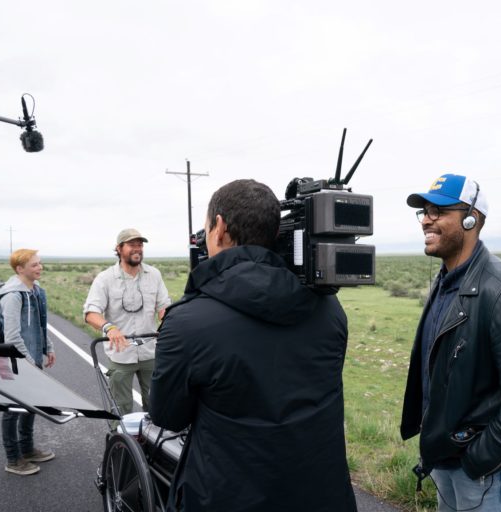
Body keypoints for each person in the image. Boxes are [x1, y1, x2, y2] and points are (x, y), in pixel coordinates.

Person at [150, 179, 357, 511]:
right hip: (322, 494)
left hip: (225, 496)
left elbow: (167, 416)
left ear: (219, 228)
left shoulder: (187, 322)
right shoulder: (329, 309)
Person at [400, 174, 501, 511]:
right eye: (424, 211)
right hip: (451, 463)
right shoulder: (447, 283)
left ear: (471, 218)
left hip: (491, 475)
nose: (426, 218)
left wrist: (479, 459)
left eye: (439, 211)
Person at [84, 228, 171, 418]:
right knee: (121, 409)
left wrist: (167, 317)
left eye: (140, 245)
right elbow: (91, 313)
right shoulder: (105, 278)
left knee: (157, 404)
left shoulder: (154, 274)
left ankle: (152, 444)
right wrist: (110, 328)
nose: (137, 249)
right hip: (121, 354)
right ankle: (120, 444)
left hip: (150, 351)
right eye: (132, 245)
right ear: (119, 248)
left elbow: (164, 306)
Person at [0, 248, 56, 476]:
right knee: (12, 409)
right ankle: (13, 459)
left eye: (40, 263)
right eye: (34, 265)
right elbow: (11, 336)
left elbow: (40, 324)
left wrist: (47, 347)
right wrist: (28, 362)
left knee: (32, 403)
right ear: (20, 269)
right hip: (14, 361)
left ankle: (27, 449)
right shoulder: (12, 296)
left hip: (31, 359)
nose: (40, 267)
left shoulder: (36, 291)